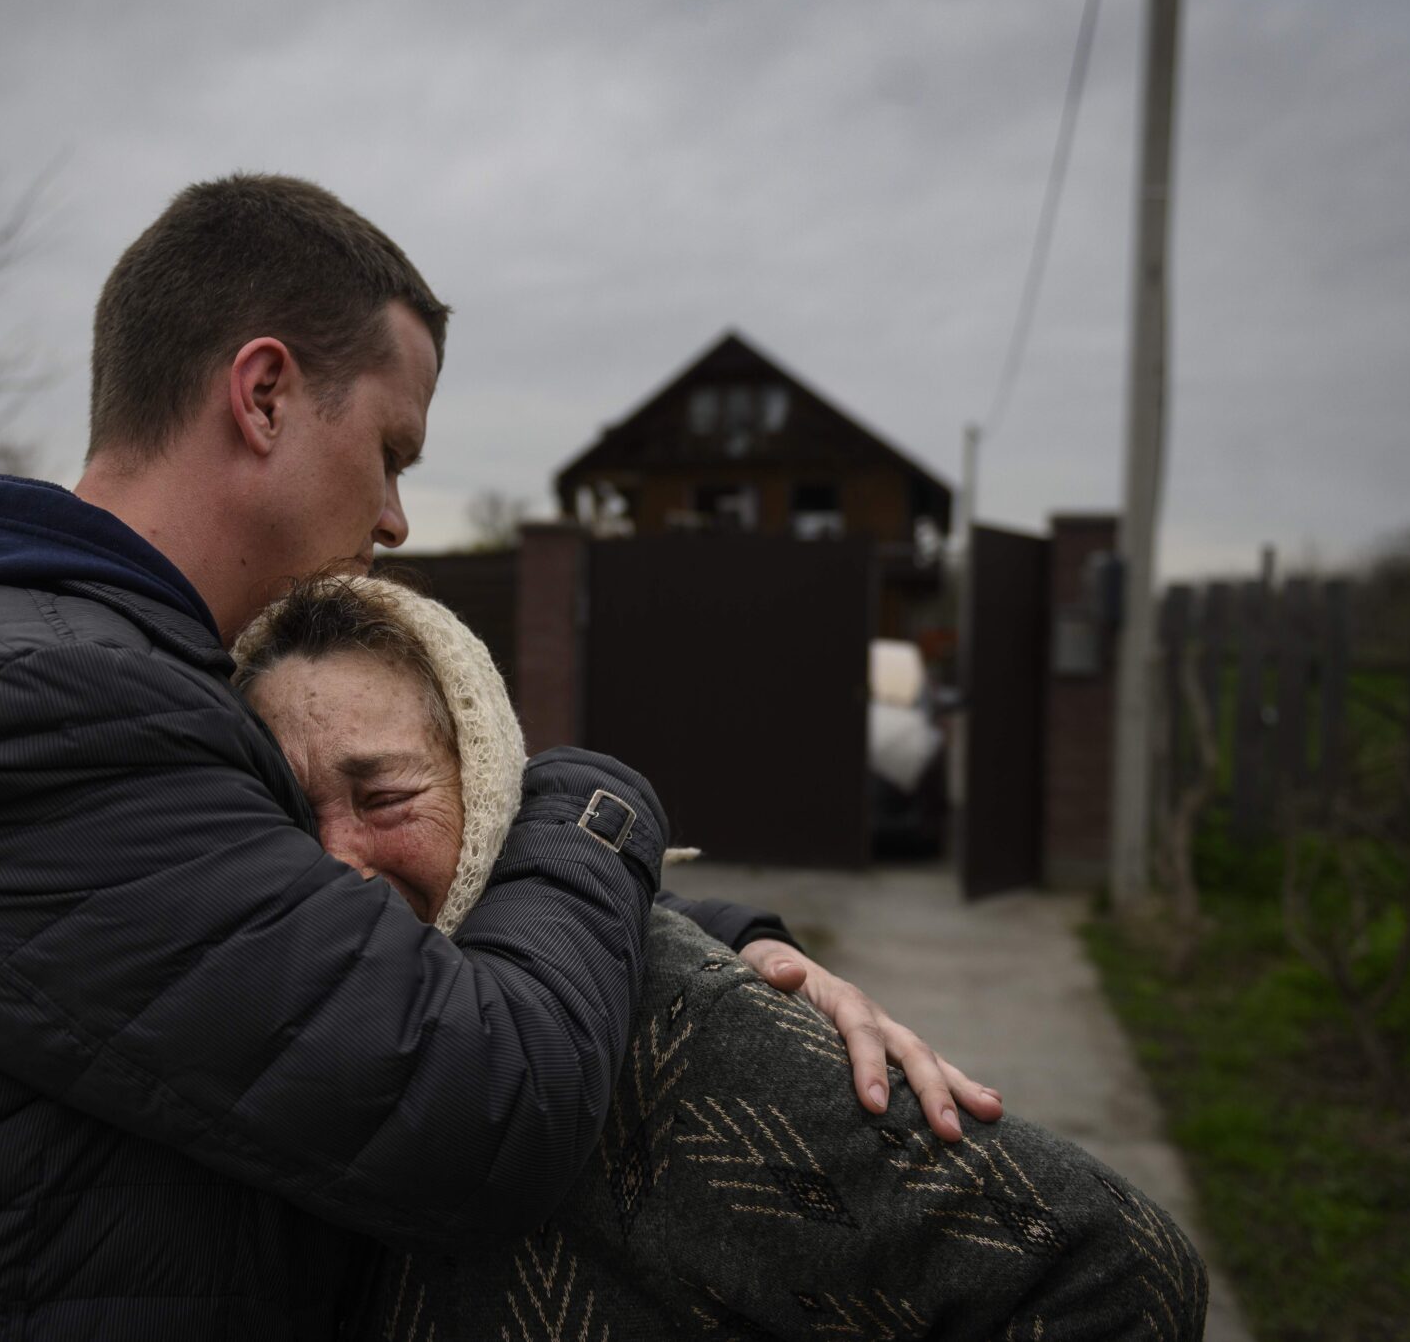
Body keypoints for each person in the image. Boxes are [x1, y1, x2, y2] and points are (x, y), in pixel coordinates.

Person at [0, 174, 996, 1340]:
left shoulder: (66, 666)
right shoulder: (32, 702)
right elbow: (478, 1109)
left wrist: (726, 945)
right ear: (265, 393)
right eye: (390, 450)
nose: (394, 516)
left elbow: (293, 939)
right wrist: (593, 803)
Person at [232, 572, 1211, 1341]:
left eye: (387, 797)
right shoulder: (268, 1017)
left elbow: (1115, 1271)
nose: (335, 863)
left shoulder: (665, 1024)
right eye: (286, 811)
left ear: (485, 783)